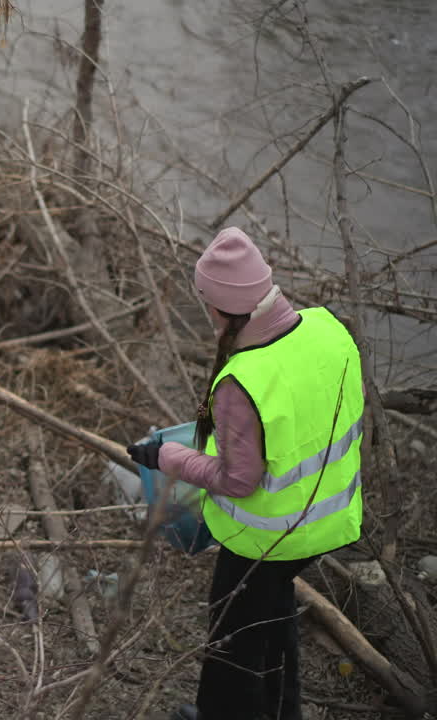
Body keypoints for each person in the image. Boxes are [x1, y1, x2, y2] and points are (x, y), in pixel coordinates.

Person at [126, 227, 364, 720]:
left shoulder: (242, 380)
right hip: (330, 519)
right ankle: (282, 713)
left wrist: (166, 457)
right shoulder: (328, 329)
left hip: (268, 535)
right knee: (271, 619)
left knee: (232, 644)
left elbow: (239, 481)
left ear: (218, 309)